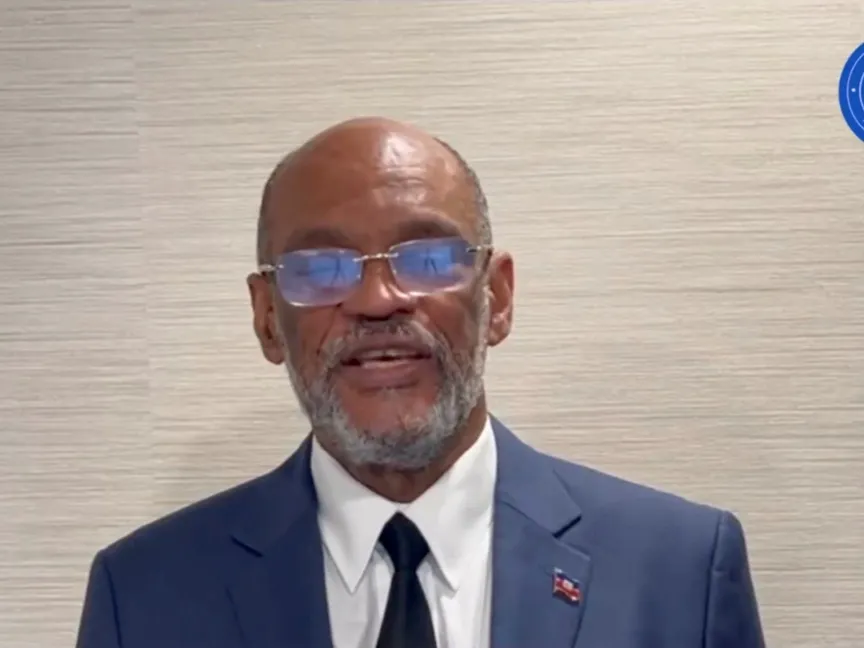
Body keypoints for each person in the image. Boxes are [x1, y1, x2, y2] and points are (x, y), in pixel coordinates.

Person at [75, 117, 765, 648]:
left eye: (428, 258)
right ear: (266, 319)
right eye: (321, 268)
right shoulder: (143, 597)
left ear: (498, 298)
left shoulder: (680, 570)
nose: (377, 300)